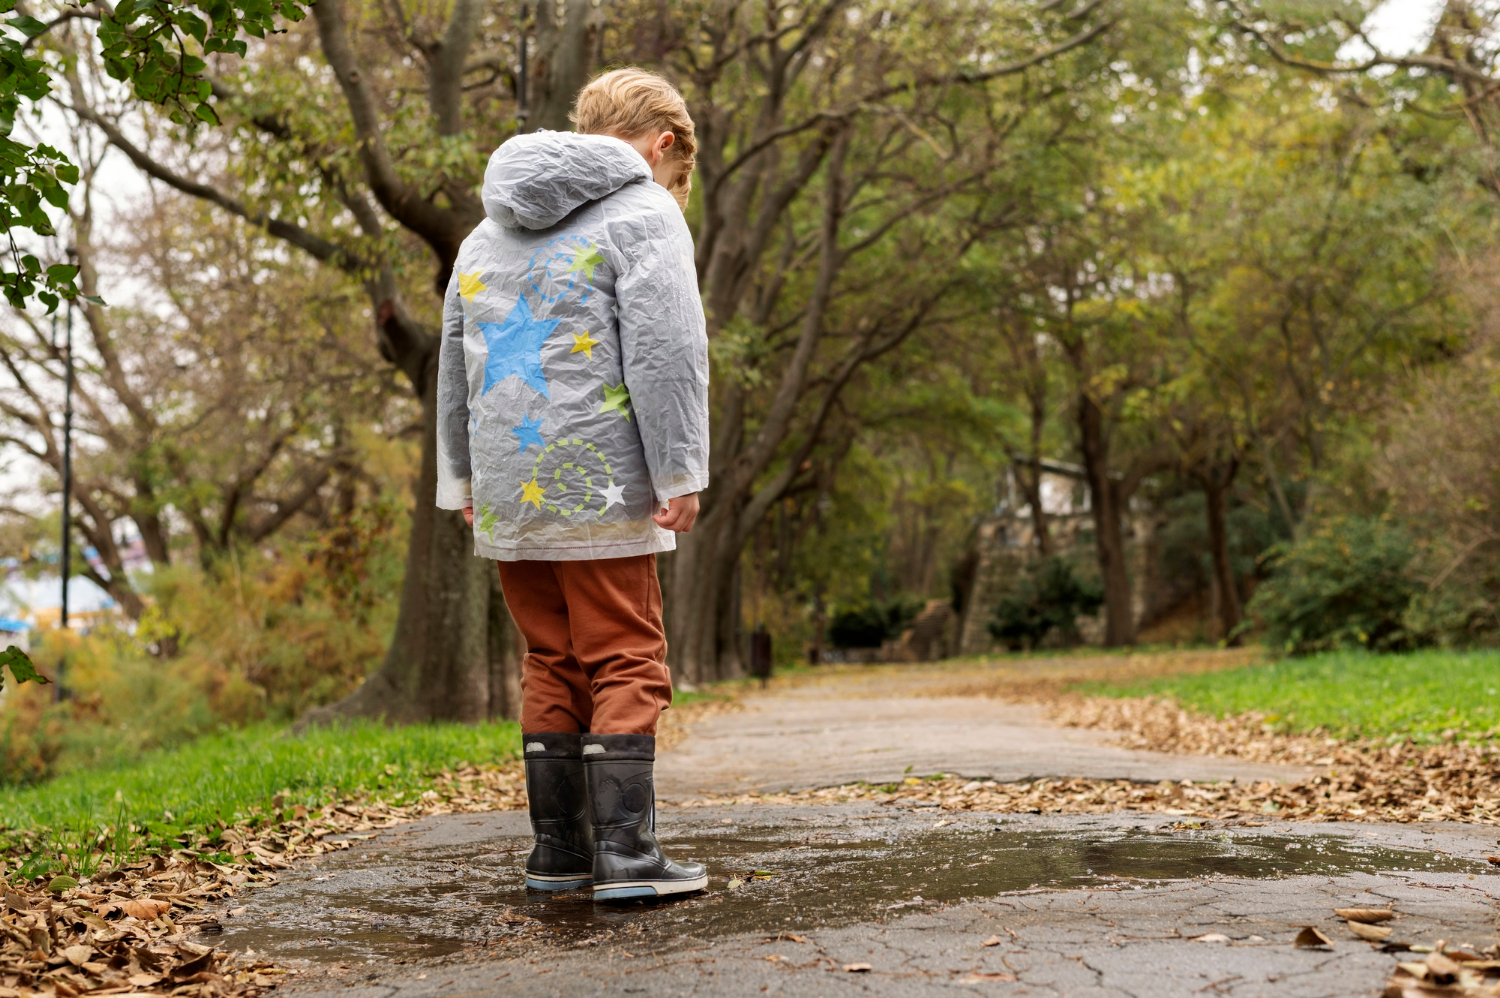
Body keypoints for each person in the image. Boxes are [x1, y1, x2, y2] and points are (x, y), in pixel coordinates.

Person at [434, 68, 709, 902]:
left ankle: (559, 854)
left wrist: (462, 478)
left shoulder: (486, 231)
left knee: (551, 659)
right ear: (664, 144)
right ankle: (627, 856)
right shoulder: (644, 210)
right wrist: (681, 467)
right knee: (628, 654)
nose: (672, 186)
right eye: (676, 170)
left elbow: (453, 364)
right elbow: (667, 353)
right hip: (602, 480)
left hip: (511, 484)